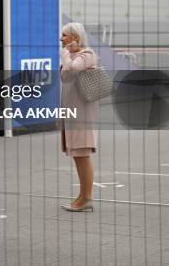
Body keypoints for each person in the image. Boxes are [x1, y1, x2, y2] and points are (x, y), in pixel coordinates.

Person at [59, 22, 98, 212]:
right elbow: (66, 77)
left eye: (64, 35)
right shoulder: (72, 56)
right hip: (71, 114)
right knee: (77, 156)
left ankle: (87, 198)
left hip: (82, 115)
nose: (61, 39)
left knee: (83, 155)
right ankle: (82, 196)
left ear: (75, 37)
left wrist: (66, 55)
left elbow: (73, 69)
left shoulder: (87, 55)